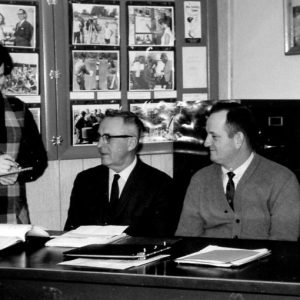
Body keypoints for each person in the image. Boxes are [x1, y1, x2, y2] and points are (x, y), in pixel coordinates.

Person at [175, 101, 300, 241]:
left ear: (238, 139)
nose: (206, 143)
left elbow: (284, 243)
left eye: (214, 136)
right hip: (207, 262)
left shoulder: (282, 180)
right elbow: (186, 238)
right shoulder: (200, 179)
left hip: (263, 262)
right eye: (207, 135)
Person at [65, 110, 179, 237]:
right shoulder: (85, 180)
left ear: (131, 143)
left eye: (107, 138)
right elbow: (71, 232)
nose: (99, 145)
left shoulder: (160, 185)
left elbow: (160, 239)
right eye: (99, 137)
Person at [0, 45, 48, 223]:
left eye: (1, 75)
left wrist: (17, 171)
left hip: (11, 214)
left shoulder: (17, 108)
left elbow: (38, 161)